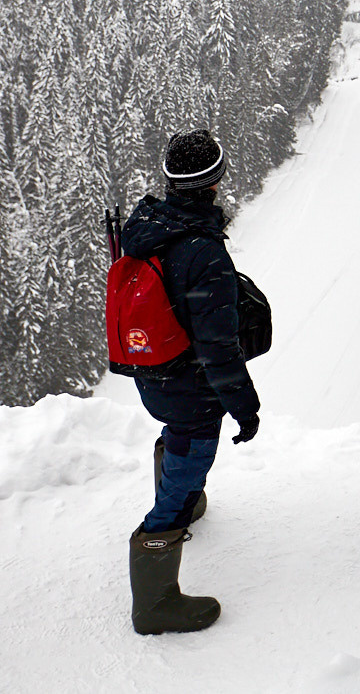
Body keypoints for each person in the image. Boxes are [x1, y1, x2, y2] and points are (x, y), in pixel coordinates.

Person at [121, 128, 262, 636]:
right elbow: (218, 348)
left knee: (175, 439)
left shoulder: (148, 225)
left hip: (151, 371)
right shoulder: (202, 252)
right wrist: (246, 408)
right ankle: (155, 604)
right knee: (186, 457)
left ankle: (187, 501)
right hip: (188, 384)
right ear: (215, 182)